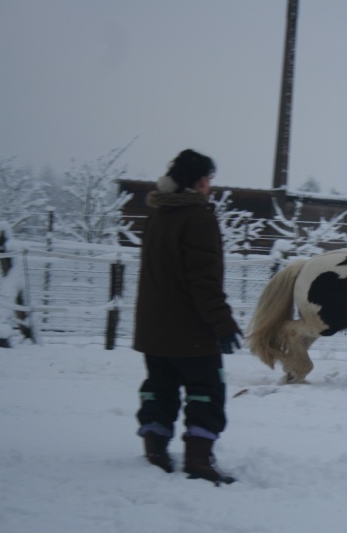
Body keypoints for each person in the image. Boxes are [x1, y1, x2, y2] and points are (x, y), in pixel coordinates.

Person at [133, 149, 242, 485]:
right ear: (199, 181)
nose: (210, 185)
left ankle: (155, 452)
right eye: (208, 178)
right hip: (192, 331)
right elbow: (203, 281)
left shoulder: (158, 214)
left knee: (160, 388)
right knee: (205, 392)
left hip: (154, 329)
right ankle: (198, 459)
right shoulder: (197, 216)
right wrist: (222, 324)